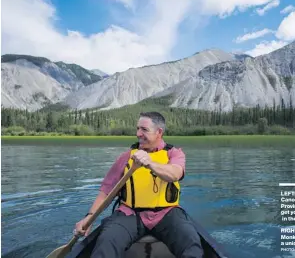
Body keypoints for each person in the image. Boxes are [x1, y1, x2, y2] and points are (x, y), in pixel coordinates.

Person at [74, 111, 204, 258]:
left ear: (159, 132)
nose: (138, 133)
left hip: (167, 213)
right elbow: (106, 191)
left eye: (144, 129)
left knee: (191, 243)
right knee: (106, 241)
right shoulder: (126, 156)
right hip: (130, 214)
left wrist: (150, 163)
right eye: (138, 128)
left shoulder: (174, 154)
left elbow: (175, 173)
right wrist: (89, 218)